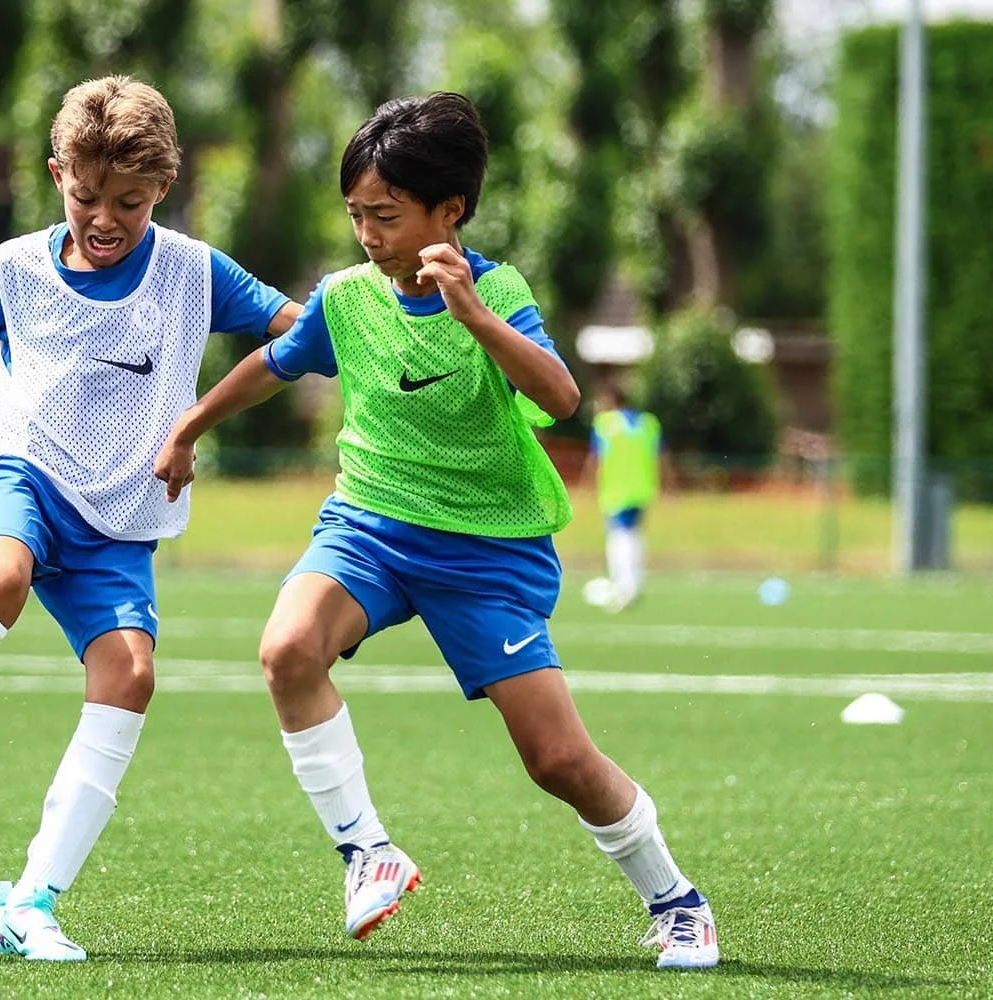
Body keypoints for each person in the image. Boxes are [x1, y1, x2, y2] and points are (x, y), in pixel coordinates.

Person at [155, 92, 719, 969]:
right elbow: (272, 363)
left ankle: (677, 901)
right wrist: (188, 430)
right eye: (355, 215)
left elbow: (562, 399)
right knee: (287, 650)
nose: (367, 235)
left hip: (487, 551)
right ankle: (367, 851)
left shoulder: (498, 293)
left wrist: (476, 318)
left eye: (384, 215)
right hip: (371, 526)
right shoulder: (346, 299)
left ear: (448, 211)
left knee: (556, 758)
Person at [0, 75, 300, 963]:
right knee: (0, 574)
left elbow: (303, 330)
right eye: (86, 196)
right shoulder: (11, 269)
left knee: (131, 676)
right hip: (22, 468)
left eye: (129, 200)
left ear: (164, 188)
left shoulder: (195, 273)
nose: (105, 217)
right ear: (57, 174)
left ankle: (30, 902)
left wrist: (388, 321)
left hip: (120, 514)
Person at [581, 383, 668, 611]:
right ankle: (635, 583)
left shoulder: (605, 424)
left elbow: (595, 459)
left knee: (619, 538)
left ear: (611, 400)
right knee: (634, 536)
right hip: (642, 488)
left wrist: (587, 485)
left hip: (616, 490)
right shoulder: (648, 423)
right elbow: (660, 456)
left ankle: (624, 588)